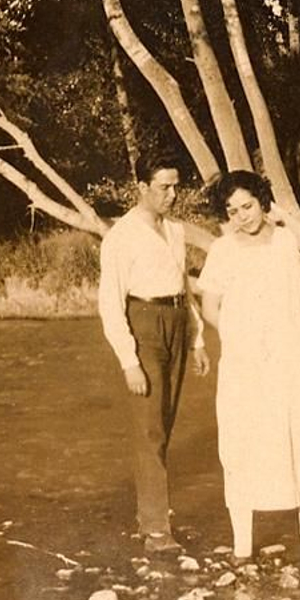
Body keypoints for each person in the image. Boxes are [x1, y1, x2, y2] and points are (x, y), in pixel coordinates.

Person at [197, 171, 300, 561]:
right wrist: (242, 338)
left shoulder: (286, 239)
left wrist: (283, 215)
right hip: (246, 364)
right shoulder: (223, 250)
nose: (242, 217)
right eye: (232, 211)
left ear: (262, 201)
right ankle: (242, 544)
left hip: (293, 357)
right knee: (243, 445)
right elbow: (210, 307)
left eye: (248, 206)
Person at [97, 153, 210, 554]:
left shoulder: (175, 230)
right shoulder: (121, 236)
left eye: (176, 186)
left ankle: (150, 513)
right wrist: (129, 361)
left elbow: (183, 286)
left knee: (165, 421)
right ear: (142, 187)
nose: (172, 194)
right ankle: (156, 528)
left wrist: (197, 338)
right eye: (164, 187)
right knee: (150, 427)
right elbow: (110, 302)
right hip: (143, 323)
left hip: (177, 320)